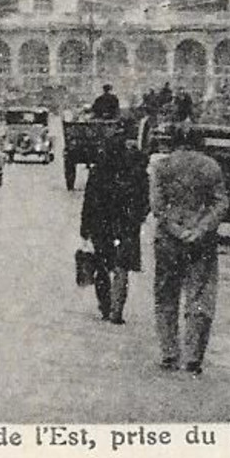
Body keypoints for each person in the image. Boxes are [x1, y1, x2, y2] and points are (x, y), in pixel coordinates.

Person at [148, 129, 230, 374]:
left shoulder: (163, 167)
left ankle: (169, 352)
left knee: (166, 296)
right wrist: (201, 228)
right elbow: (221, 202)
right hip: (200, 241)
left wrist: (175, 228)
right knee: (199, 295)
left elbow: (157, 206)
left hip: (168, 240)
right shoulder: (211, 166)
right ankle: (193, 355)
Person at [79, 136, 150, 324]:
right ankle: (117, 309)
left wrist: (85, 227)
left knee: (102, 266)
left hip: (100, 224)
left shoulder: (99, 171)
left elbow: (89, 201)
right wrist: (138, 218)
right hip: (126, 224)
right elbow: (145, 199)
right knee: (122, 267)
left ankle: (105, 305)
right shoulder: (136, 172)